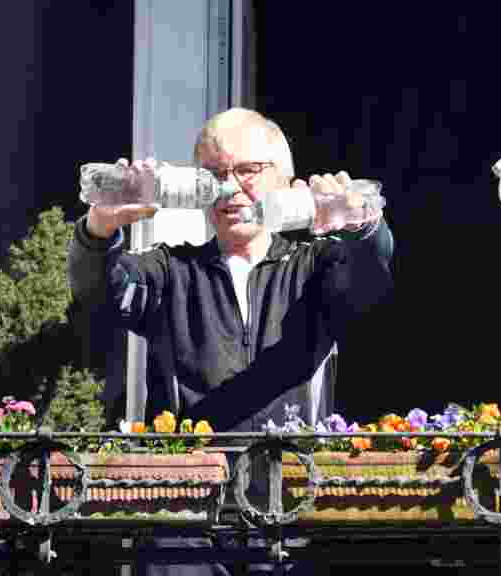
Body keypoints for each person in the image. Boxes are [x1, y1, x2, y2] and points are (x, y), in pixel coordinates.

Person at [68, 107, 394, 575]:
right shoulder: (171, 273)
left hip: (289, 517)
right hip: (185, 527)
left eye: (247, 171)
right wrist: (100, 229)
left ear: (285, 179)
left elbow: (372, 274)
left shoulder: (316, 267)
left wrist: (360, 223)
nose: (230, 187)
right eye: (215, 174)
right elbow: (97, 291)